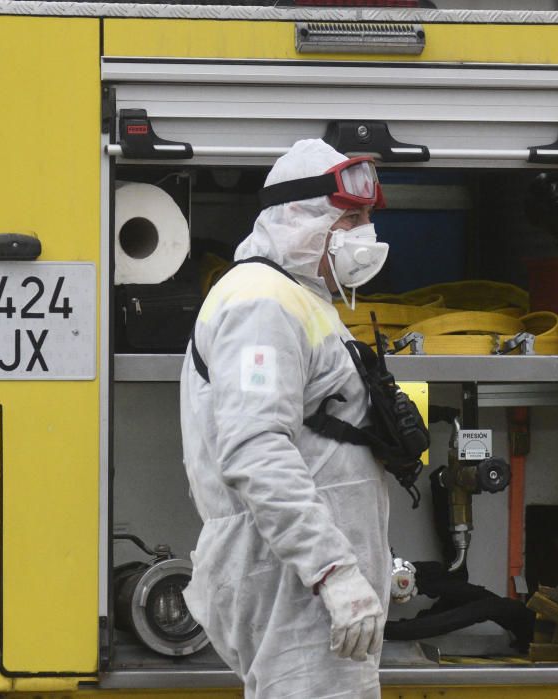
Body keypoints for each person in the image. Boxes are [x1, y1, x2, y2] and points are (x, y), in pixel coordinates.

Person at [179, 139, 392, 699]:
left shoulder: (299, 297)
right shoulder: (260, 302)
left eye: (367, 217)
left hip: (302, 578)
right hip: (291, 579)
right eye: (351, 218)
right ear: (299, 217)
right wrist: (332, 571)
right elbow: (254, 449)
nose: (363, 234)